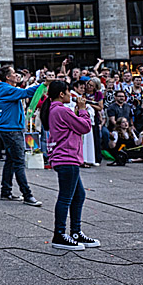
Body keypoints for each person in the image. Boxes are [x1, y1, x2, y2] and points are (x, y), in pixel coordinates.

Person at [46, 81, 100, 250]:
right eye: (68, 92)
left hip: (67, 157)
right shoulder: (61, 109)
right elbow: (85, 127)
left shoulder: (55, 109)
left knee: (79, 195)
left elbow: (73, 127)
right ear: (61, 94)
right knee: (66, 197)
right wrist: (83, 110)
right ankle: (60, 234)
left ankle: (75, 232)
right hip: (67, 157)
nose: (71, 95)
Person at [0, 65, 44, 206]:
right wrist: (43, 85)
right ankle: (27, 195)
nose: (17, 75)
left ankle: (6, 191)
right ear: (8, 77)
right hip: (11, 130)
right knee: (19, 162)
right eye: (14, 73)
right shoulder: (5, 89)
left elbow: (22, 91)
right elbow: (26, 93)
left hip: (10, 128)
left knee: (11, 160)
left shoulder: (4, 88)